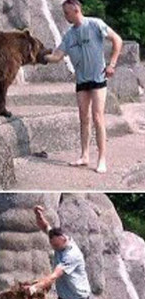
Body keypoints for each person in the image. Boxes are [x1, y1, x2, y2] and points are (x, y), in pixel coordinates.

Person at [42, 0, 123, 174]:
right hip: (81, 81)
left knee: (97, 117)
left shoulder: (95, 24)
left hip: (98, 77)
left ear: (76, 10)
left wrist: (112, 64)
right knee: (83, 118)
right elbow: (57, 56)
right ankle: (85, 156)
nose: (65, 16)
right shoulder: (69, 34)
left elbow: (117, 40)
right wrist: (39, 57)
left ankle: (101, 159)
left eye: (67, 13)